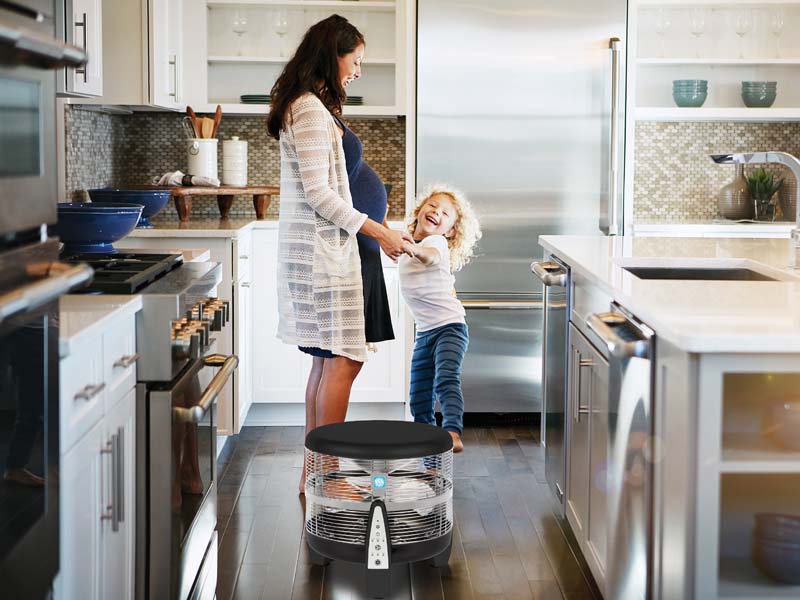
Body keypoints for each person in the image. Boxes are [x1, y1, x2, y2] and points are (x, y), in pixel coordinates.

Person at [266, 15, 412, 492]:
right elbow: (320, 195)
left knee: (328, 362)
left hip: (341, 251)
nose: (358, 71)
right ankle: (327, 475)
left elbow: (339, 187)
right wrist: (378, 232)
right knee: (342, 362)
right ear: (334, 53)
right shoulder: (308, 109)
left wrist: (381, 231)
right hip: (329, 256)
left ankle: (315, 474)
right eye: (356, 60)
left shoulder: (312, 105)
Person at [399, 184, 482, 453]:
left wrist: (412, 249)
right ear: (420, 210)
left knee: (445, 379)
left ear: (450, 231)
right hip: (425, 332)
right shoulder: (407, 240)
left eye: (445, 214)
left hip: (450, 328)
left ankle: (452, 432)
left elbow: (429, 257)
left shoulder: (435, 243)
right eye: (433, 205)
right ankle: (428, 451)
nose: (436, 212)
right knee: (419, 395)